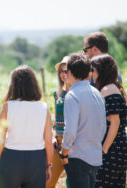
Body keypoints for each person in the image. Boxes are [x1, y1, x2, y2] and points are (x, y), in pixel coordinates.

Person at [0, 65, 53, 188]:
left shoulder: (7, 107)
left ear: (13, 85)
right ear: (34, 84)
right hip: (36, 160)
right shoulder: (43, 107)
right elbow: (48, 140)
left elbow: (0, 139)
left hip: (11, 158)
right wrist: (49, 165)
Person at [60, 53, 106, 188]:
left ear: (70, 73)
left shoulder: (72, 95)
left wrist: (64, 152)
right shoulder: (97, 93)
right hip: (95, 157)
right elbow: (102, 126)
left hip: (78, 158)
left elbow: (70, 130)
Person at [91, 55, 127, 188]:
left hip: (111, 149)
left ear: (101, 70)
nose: (91, 73)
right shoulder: (114, 87)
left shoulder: (107, 90)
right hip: (118, 148)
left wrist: (104, 149)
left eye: (92, 69)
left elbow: (115, 122)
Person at [46, 56, 71, 188]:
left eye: (67, 70)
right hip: (59, 143)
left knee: (72, 182)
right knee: (48, 182)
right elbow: (57, 118)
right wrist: (55, 136)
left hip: (74, 144)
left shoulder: (77, 92)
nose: (63, 74)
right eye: (61, 71)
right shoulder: (57, 93)